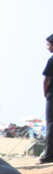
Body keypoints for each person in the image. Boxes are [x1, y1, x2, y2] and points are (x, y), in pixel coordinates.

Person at [40, 34, 53, 163]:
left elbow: (46, 79)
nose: (47, 47)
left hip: (52, 95)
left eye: (49, 45)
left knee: (50, 124)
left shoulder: (51, 60)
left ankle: (48, 155)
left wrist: (45, 93)